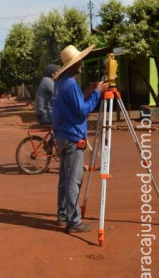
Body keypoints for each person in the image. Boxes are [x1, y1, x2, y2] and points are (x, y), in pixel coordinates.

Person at [52, 44, 109, 233]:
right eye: (79, 62)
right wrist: (98, 93)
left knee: (64, 178)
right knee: (73, 181)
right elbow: (83, 110)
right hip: (72, 137)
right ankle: (73, 221)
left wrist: (89, 91)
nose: (81, 64)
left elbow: (75, 102)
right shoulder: (70, 84)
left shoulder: (61, 82)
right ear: (73, 65)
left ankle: (62, 214)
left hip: (62, 135)